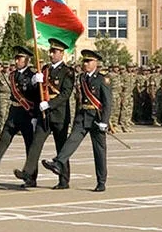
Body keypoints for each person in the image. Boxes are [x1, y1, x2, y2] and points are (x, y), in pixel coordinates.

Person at [42, 49, 113, 192]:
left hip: (96, 118)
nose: (85, 64)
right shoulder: (81, 78)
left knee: (99, 151)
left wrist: (105, 121)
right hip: (82, 116)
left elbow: (108, 102)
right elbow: (79, 99)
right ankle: (58, 162)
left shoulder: (103, 79)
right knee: (71, 141)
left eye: (88, 61)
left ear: (95, 63)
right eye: (84, 61)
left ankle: (101, 181)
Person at [15, 38, 74, 189]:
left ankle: (64, 180)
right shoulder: (45, 69)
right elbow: (37, 94)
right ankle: (28, 173)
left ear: (62, 53)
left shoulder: (68, 72)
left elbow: (66, 93)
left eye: (55, 51)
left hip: (59, 113)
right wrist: (35, 83)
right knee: (36, 143)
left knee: (61, 148)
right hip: (43, 114)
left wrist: (50, 104)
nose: (52, 54)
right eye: (51, 51)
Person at [0, 45, 40, 180]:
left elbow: (36, 97)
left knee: (30, 146)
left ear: (27, 60)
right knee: (3, 139)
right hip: (14, 112)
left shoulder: (33, 75)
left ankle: (31, 176)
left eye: (20, 58)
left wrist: (35, 115)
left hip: (27, 114)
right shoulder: (12, 75)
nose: (17, 61)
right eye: (16, 58)